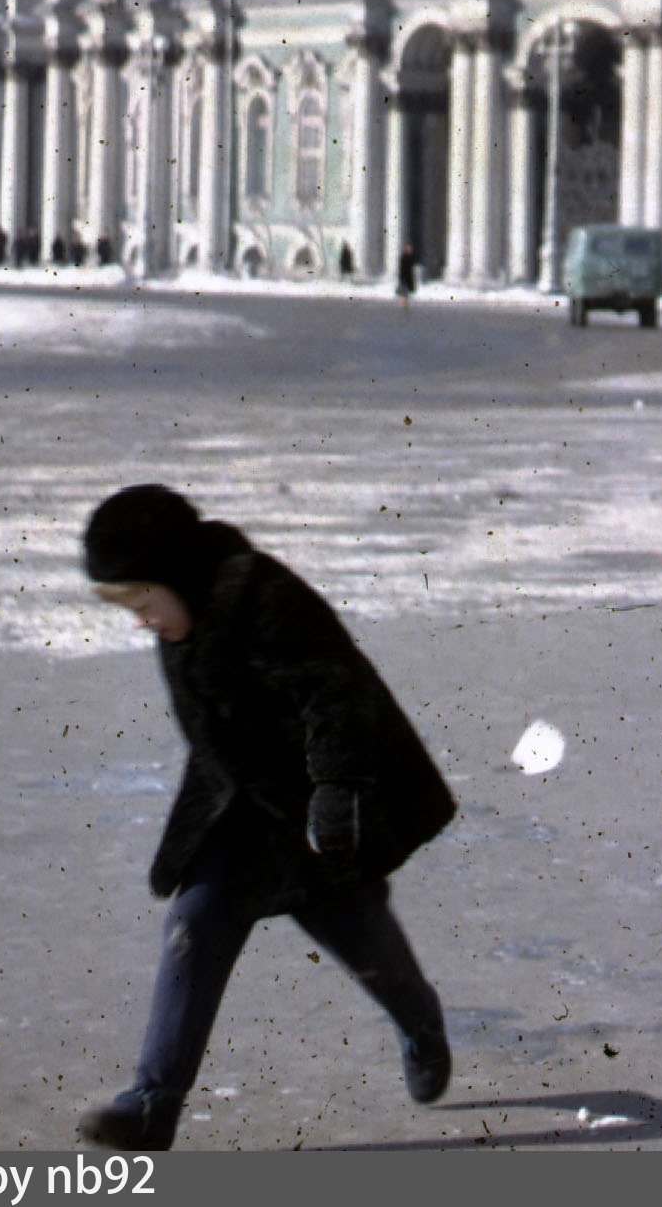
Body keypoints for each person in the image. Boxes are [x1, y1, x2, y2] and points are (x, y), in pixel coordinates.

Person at [74, 485, 458, 1150]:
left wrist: (336, 794)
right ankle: (150, 1104)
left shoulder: (265, 597)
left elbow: (335, 692)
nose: (139, 620)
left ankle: (419, 1020)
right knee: (193, 922)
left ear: (174, 574)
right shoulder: (184, 613)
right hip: (243, 806)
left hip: (319, 806)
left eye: (141, 601)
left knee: (363, 943)